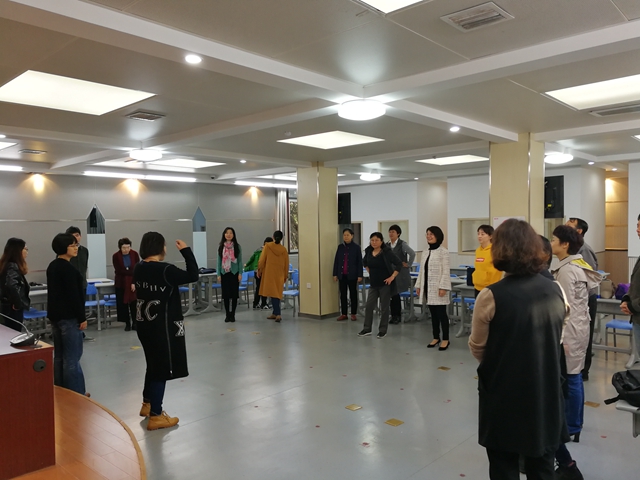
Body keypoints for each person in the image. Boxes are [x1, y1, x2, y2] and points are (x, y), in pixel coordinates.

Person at [469, 219, 568, 480]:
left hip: (504, 391)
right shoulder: (555, 289)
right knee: (542, 466)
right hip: (544, 389)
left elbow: (478, 348)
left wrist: (506, 357)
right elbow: (558, 337)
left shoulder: (490, 295)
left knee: (504, 466)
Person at [133, 232, 199, 431]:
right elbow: (193, 275)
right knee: (161, 369)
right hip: (162, 327)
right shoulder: (165, 270)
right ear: (159, 247)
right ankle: (156, 414)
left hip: (144, 325)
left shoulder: (139, 267)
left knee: (152, 364)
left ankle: (147, 403)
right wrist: (186, 251)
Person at [550, 225, 600, 444]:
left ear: (565, 244)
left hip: (570, 330)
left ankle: (571, 425)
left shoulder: (568, 271)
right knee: (574, 374)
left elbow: (564, 307)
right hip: (578, 327)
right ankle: (574, 423)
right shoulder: (576, 265)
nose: (551, 243)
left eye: (554, 240)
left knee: (571, 376)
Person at [47, 233, 88, 395]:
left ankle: (60, 390)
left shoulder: (52, 266)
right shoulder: (68, 269)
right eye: (73, 245)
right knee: (72, 358)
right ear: (64, 247)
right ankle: (76, 393)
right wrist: (82, 317)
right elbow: (74, 296)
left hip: (55, 316)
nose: (76, 248)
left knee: (59, 356)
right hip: (69, 317)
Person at [565, 218, 598, 381]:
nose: (565, 228)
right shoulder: (573, 250)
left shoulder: (584, 250)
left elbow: (589, 280)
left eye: (569, 226)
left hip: (585, 300)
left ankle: (583, 371)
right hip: (575, 300)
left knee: (584, 335)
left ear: (579, 231)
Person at [415, 226, 452, 350]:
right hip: (428, 287)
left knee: (441, 314)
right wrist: (419, 285)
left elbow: (446, 271)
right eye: (427, 234)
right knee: (433, 315)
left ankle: (445, 339)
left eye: (431, 234)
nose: (428, 236)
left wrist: (443, 287)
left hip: (439, 288)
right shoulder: (425, 252)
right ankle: (436, 337)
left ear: (438, 236)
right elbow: (422, 271)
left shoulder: (444, 252)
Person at [360, 232, 402, 339]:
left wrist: (392, 277)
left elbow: (399, 264)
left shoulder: (386, 252)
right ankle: (367, 328)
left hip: (385, 284)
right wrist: (370, 272)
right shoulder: (368, 251)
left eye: (376, 240)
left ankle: (383, 330)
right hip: (373, 284)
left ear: (381, 241)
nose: (374, 242)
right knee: (369, 306)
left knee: (384, 308)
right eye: (372, 240)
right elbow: (364, 262)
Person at [66, 226, 94, 342]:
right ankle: (72, 333)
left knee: (81, 309)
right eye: (72, 235)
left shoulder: (84, 251)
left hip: (82, 285)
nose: (75, 238)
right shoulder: (65, 251)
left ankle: (80, 333)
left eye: (77, 235)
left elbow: (84, 267)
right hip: (70, 287)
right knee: (71, 310)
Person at [620, 214, 640, 368]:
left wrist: (633, 306)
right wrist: (627, 299)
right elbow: (636, 284)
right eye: (637, 226)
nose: (637, 230)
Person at [257, 231, 289, 323]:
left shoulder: (268, 246)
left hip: (269, 273)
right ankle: (275, 313)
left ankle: (278, 313)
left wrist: (259, 270)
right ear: (282, 238)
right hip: (280, 274)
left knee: (273, 293)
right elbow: (286, 264)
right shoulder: (284, 250)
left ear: (273, 237)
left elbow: (262, 260)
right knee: (277, 293)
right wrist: (285, 275)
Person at [387, 225, 415, 324]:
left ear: (398, 234)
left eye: (393, 232)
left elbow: (412, 253)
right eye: (390, 232)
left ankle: (397, 316)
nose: (391, 234)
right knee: (391, 294)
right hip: (390, 273)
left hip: (400, 273)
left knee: (396, 294)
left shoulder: (402, 244)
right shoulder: (387, 245)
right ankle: (393, 315)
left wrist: (408, 264)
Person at [333, 228, 363, 321]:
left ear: (352, 236)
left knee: (353, 294)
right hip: (342, 275)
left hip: (352, 275)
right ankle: (344, 313)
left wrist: (360, 275)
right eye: (344, 235)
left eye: (347, 235)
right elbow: (337, 261)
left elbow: (359, 262)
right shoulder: (340, 247)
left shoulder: (356, 247)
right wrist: (335, 274)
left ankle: (353, 313)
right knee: (343, 295)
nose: (345, 237)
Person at [0, 238, 30, 332]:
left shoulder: (5, 265)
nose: (27, 252)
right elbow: (11, 285)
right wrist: (17, 303)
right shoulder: (13, 266)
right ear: (18, 251)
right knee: (15, 332)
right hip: (12, 308)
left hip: (5, 306)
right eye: (25, 249)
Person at [112, 237, 140, 331]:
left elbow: (137, 269)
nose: (126, 250)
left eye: (128, 247)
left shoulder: (135, 254)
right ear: (120, 247)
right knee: (123, 304)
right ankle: (127, 323)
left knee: (134, 303)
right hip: (121, 282)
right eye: (124, 248)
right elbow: (118, 270)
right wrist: (130, 272)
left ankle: (135, 323)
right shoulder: (116, 256)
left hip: (133, 282)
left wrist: (133, 282)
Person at [217, 227, 243, 323]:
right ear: (224, 235)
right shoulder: (221, 247)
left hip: (234, 273)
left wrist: (240, 273)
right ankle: (227, 314)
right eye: (227, 233)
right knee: (226, 295)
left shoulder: (237, 247)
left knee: (234, 295)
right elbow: (219, 261)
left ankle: (233, 314)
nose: (228, 235)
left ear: (233, 235)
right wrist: (218, 274)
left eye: (230, 233)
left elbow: (240, 261)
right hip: (224, 273)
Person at [472, 224, 502, 297]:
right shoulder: (478, 251)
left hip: (490, 288)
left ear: (490, 236)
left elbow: (499, 269)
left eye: (482, 234)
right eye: (478, 234)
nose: (479, 236)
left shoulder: (495, 250)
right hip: (477, 287)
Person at [245, 237, 272, 310]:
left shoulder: (258, 250)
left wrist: (247, 265)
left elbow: (251, 259)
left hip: (256, 271)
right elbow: (262, 262)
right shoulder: (265, 251)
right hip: (261, 271)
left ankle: (256, 303)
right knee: (263, 288)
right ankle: (263, 303)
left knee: (258, 288)